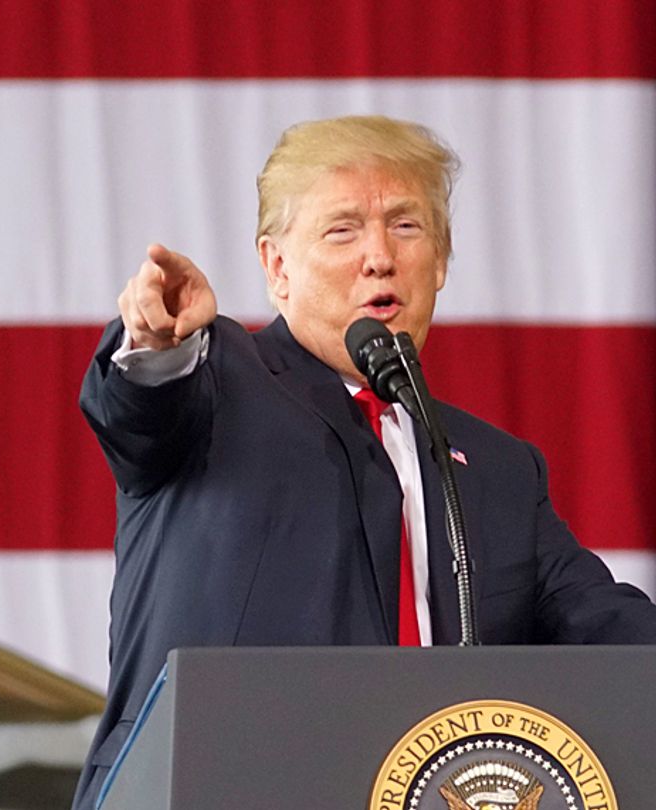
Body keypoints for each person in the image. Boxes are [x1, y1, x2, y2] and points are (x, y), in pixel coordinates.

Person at [71, 115, 656, 810]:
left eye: (406, 227)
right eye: (342, 230)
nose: (379, 256)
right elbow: (137, 410)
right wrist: (156, 344)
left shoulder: (498, 470)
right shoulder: (218, 378)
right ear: (277, 267)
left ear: (440, 262)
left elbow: (610, 634)